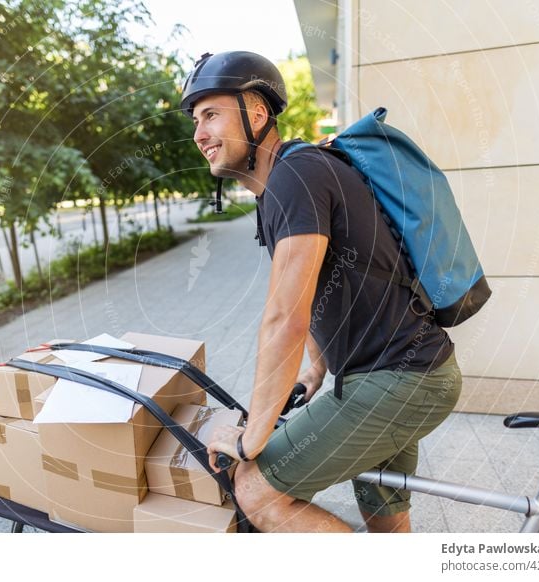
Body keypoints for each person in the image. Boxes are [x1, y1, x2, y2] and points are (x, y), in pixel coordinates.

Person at [182, 51, 462, 533]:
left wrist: (253, 438)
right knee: (386, 519)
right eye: (195, 120)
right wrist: (315, 367)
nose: (198, 134)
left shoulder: (297, 174)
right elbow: (314, 294)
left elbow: (283, 318)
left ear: (256, 112)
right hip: (401, 375)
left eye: (210, 114)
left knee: (255, 489)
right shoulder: (279, 189)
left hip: (398, 381)